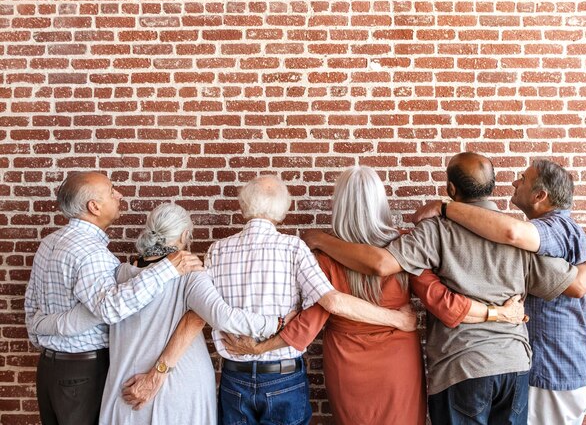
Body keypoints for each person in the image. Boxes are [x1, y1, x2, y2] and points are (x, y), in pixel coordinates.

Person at [301, 153, 586, 425]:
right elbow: (572, 283)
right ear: (492, 188)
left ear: (451, 188)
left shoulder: (433, 232)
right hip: (514, 364)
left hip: (461, 365)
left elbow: (384, 265)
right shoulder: (519, 238)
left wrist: (321, 240)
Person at [223, 166, 526, 425]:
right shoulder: (404, 247)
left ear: (338, 205)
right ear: (380, 202)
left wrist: (261, 347)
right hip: (398, 360)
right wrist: (496, 312)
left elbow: (310, 321)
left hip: (346, 362)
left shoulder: (323, 255)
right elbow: (440, 300)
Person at [30, 203, 286, 424]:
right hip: (179, 387)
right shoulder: (190, 274)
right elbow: (223, 317)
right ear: (185, 234)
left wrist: (42, 323)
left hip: (123, 386)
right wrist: (275, 322)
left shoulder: (119, 273)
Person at [207, 174, 419, 425]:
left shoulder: (217, 250)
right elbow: (329, 303)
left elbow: (207, 308)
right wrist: (398, 318)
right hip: (291, 372)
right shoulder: (404, 245)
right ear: (283, 209)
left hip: (238, 373)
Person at [413, 159, 586, 425]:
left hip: (551, 370)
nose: (514, 182)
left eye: (522, 179)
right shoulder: (543, 235)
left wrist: (445, 208)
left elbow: (511, 232)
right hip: (532, 367)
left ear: (540, 196)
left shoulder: (552, 229)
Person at [24, 172, 203, 425]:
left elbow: (31, 304)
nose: (119, 194)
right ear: (94, 207)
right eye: (111, 190)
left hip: (48, 369)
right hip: (83, 375)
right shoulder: (92, 253)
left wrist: (44, 330)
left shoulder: (49, 243)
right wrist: (168, 268)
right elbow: (110, 308)